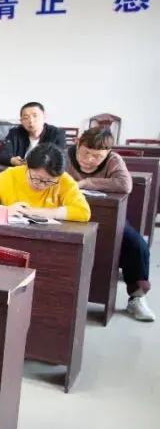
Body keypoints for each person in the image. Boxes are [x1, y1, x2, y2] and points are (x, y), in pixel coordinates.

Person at [65, 127, 153, 321]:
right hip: (67, 213)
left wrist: (86, 182)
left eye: (97, 156)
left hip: (108, 215)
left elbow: (125, 184)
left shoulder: (114, 160)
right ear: (78, 144)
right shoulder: (65, 156)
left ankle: (136, 298)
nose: (89, 159)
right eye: (85, 153)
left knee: (137, 245)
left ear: (107, 153)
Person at [0, 143, 90, 222]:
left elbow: (83, 212)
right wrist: (5, 210)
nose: (41, 185)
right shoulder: (11, 175)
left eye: (49, 182)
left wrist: (36, 212)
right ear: (27, 166)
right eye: (36, 178)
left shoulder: (64, 180)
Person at [0, 102, 67, 167]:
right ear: (21, 121)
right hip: (20, 172)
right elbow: (0, 156)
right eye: (26, 118)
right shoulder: (15, 133)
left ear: (44, 117)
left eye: (35, 116)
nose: (31, 121)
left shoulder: (57, 133)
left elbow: (59, 160)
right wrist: (13, 160)